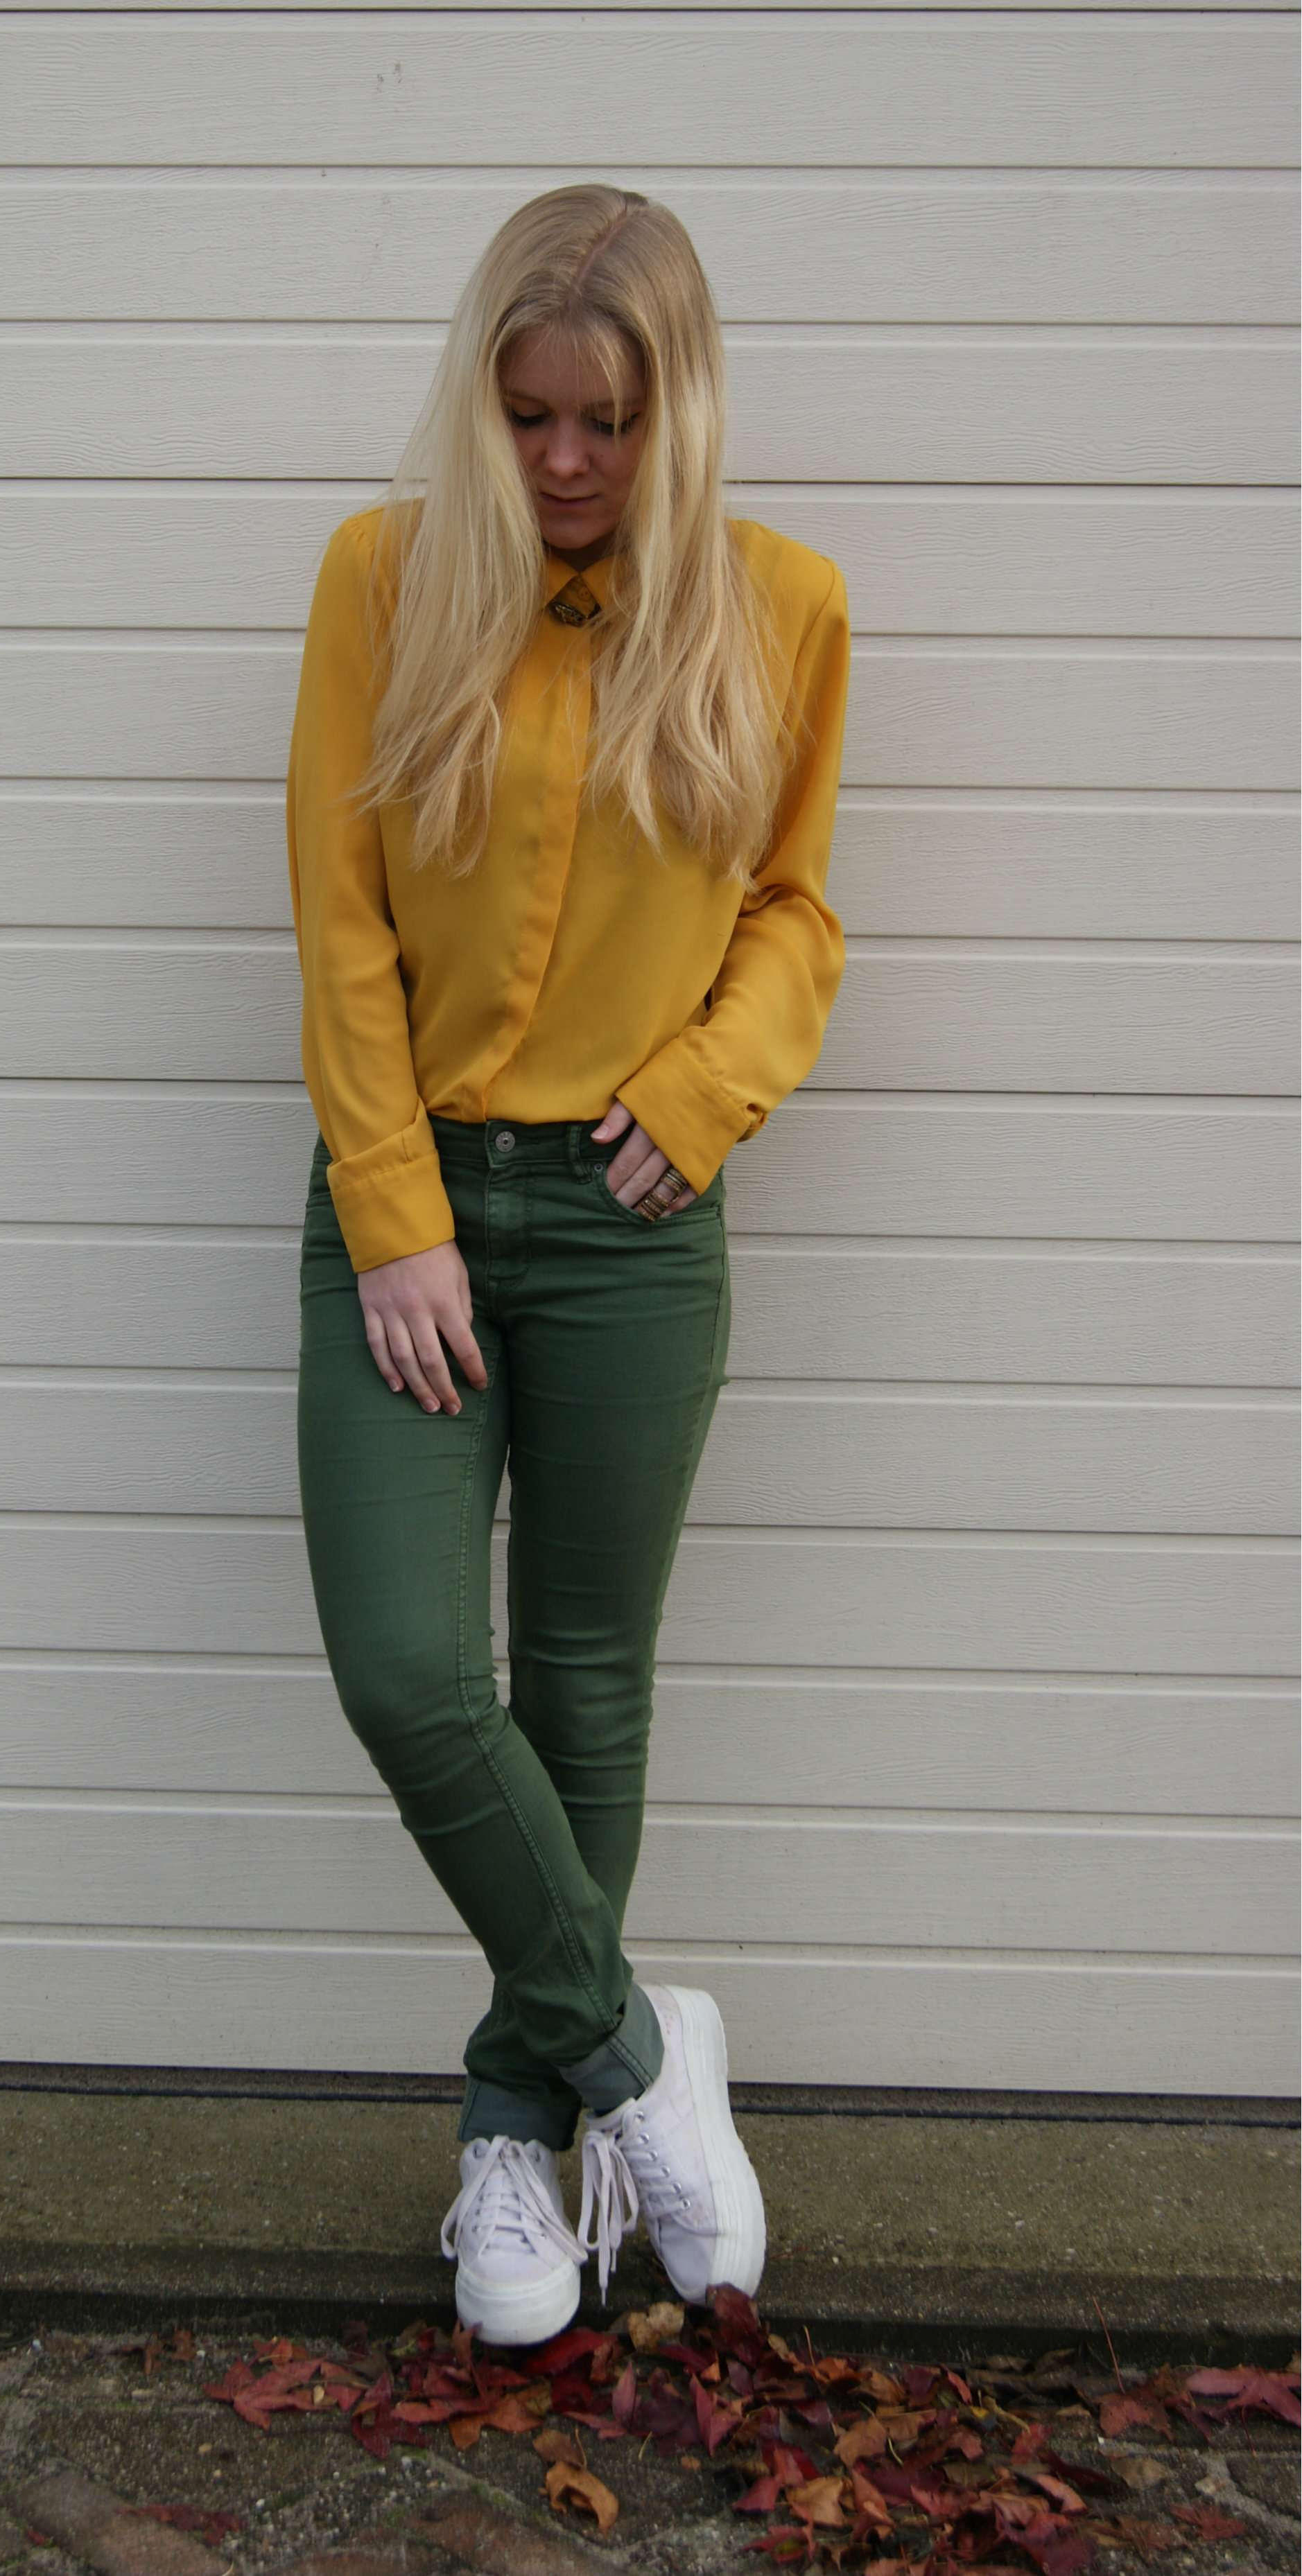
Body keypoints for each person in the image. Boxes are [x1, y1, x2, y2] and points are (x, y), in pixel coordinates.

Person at [287, 183, 851, 2347]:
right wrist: (393, 1214)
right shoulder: (385, 578)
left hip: (634, 1225)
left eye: (607, 420)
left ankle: (514, 2139)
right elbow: (341, 913)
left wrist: (705, 1093)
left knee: (585, 1681)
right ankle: (636, 2054)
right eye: (526, 414)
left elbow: (794, 908)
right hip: (407, 1206)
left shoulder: (781, 612)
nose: (562, 460)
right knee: (413, 1678)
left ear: (674, 410)